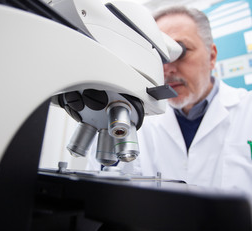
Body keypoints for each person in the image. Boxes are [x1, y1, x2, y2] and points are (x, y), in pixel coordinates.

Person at [88, 6, 252, 197]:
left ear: (212, 56)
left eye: (180, 52)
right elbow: (105, 186)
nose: (168, 69)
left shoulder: (247, 110)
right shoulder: (136, 119)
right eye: (160, 56)